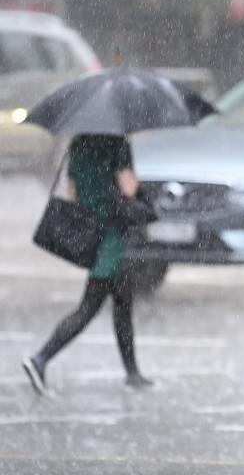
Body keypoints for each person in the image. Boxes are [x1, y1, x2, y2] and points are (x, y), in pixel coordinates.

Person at [23, 134, 152, 395]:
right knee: (89, 307)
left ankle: (133, 373)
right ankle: (40, 359)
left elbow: (72, 190)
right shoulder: (118, 144)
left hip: (91, 230)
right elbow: (128, 188)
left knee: (122, 301)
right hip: (112, 238)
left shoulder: (79, 143)